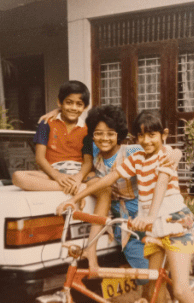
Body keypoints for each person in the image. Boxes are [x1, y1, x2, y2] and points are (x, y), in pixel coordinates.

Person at [61, 109, 194, 303]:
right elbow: (108, 179)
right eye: (141, 135)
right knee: (151, 291)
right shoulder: (137, 158)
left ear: (164, 135)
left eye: (152, 135)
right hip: (154, 230)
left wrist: (150, 216)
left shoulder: (166, 155)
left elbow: (161, 185)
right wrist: (73, 199)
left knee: (180, 291)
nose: (146, 140)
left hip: (176, 227)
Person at [74, 104, 150, 279]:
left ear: (119, 135)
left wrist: (173, 152)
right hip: (121, 221)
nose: (104, 138)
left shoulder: (132, 152)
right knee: (143, 271)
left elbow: (160, 153)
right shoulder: (95, 155)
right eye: (98, 133)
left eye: (110, 133)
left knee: (157, 268)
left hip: (142, 214)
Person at [13, 80, 93, 193]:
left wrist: (78, 178)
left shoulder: (87, 130)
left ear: (85, 107)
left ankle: (70, 185)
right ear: (60, 103)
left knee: (97, 178)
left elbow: (88, 162)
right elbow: (40, 158)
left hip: (78, 174)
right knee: (18, 177)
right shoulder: (46, 124)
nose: (73, 108)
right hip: (52, 174)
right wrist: (58, 176)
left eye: (79, 104)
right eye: (69, 102)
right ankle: (80, 188)